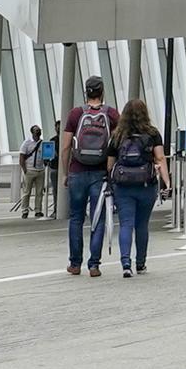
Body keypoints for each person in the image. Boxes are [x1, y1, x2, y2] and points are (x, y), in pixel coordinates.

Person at [106, 97, 169, 276]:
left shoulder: (117, 135)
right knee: (142, 225)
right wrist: (167, 181)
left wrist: (112, 179)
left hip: (123, 186)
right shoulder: (152, 133)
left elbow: (110, 164)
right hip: (146, 185)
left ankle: (126, 263)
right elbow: (160, 158)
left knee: (126, 223)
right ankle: (140, 263)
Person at [63, 79, 118, 276]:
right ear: (102, 92)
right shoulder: (111, 114)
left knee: (76, 218)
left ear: (86, 92)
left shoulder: (76, 113)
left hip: (77, 171)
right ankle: (94, 264)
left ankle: (75, 264)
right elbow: (117, 144)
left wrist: (65, 173)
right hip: (100, 173)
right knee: (98, 218)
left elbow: (65, 146)